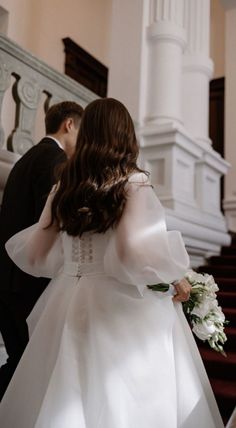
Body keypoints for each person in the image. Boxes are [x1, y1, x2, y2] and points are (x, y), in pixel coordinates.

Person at [0, 98, 224, 427]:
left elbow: (34, 255)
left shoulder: (63, 187)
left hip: (67, 299)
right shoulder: (133, 184)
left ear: (87, 133)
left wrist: (73, 259)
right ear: (125, 135)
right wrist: (175, 275)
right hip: (117, 307)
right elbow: (132, 255)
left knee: (65, 394)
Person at [0, 101, 83, 400]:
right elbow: (48, 227)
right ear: (69, 125)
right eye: (81, 131)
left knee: (20, 362)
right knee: (28, 368)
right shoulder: (55, 160)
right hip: (25, 283)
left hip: (6, 279)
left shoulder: (27, 159)